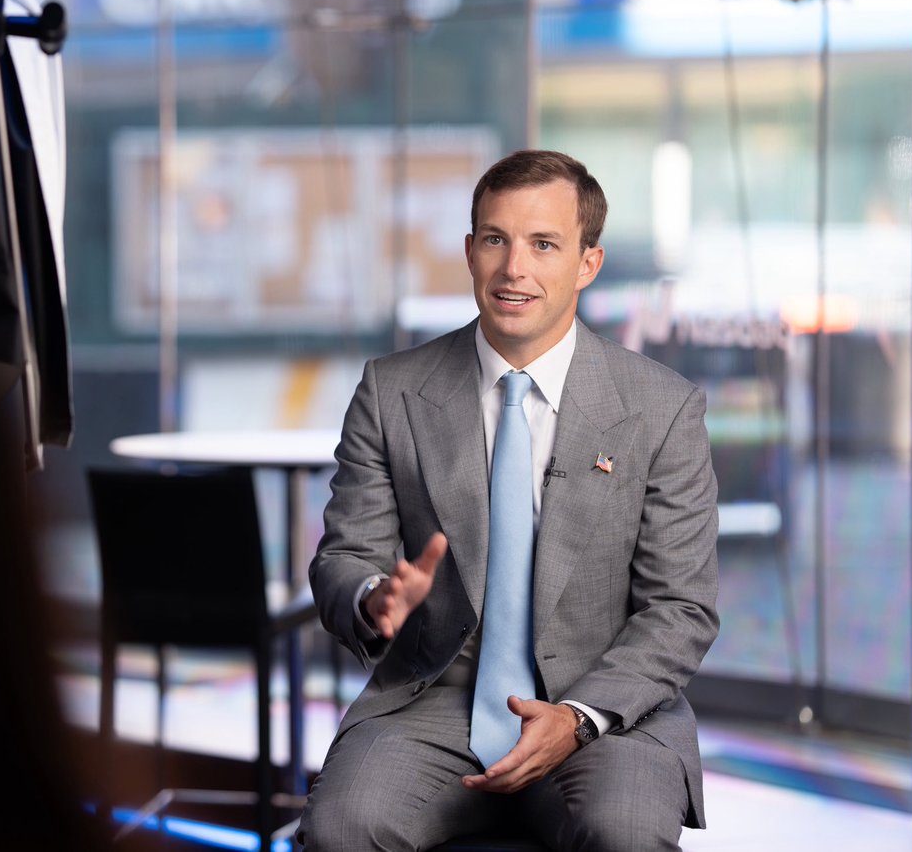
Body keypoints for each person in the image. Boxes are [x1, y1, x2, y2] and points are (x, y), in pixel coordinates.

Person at [297, 149, 720, 851]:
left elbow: (681, 608)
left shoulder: (663, 407)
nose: (513, 268)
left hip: (608, 711)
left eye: (543, 244)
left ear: (588, 263)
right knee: (343, 828)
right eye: (496, 239)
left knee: (624, 832)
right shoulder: (390, 391)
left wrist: (579, 717)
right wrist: (375, 597)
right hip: (433, 699)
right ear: (470, 252)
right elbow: (342, 558)